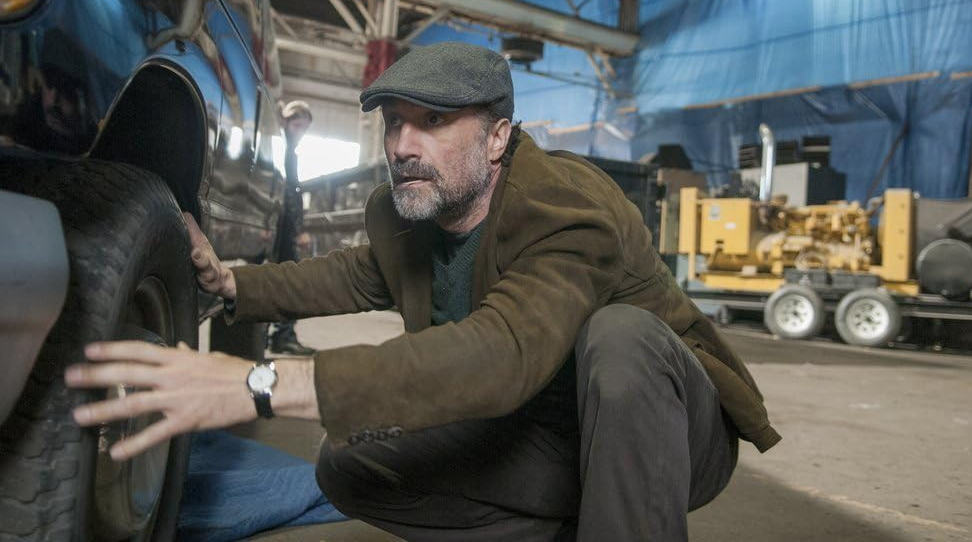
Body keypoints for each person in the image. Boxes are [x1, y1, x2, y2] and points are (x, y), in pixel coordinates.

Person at [65, 42, 780, 541]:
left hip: (665, 432)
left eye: (433, 121)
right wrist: (229, 283)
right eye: (394, 122)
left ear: (496, 139)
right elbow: (344, 276)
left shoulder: (564, 204)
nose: (403, 144)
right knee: (350, 466)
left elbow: (502, 354)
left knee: (621, 337)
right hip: (544, 438)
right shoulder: (408, 214)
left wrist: (260, 384)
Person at [269, 100, 317, 356]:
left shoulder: (287, 150)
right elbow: (289, 193)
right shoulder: (283, 150)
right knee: (291, 280)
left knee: (281, 279)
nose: (300, 133)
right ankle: (283, 336)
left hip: (279, 226)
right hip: (282, 228)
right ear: (286, 122)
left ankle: (280, 334)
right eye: (298, 126)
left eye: (304, 128)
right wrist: (298, 231)